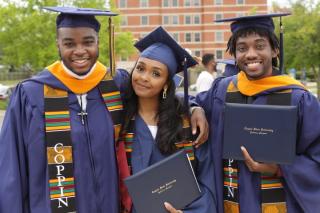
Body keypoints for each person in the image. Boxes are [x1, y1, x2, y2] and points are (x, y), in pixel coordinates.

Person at [0, 7, 209, 213]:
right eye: (69, 43)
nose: (80, 50)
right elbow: (11, 170)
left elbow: (158, 94)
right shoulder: (31, 95)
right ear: (58, 44)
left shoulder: (112, 85)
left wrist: (193, 107)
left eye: (88, 42)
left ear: (98, 42)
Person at [196, 13, 320, 212]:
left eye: (260, 46)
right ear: (234, 54)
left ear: (275, 50)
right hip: (229, 202)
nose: (251, 54)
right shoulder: (222, 90)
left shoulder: (299, 98)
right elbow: (187, 103)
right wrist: (196, 110)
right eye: (242, 48)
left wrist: (279, 168)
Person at [119, 26, 216, 213]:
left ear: (166, 84)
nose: (144, 78)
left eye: (156, 73)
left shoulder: (187, 124)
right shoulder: (120, 120)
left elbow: (206, 179)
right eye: (140, 68)